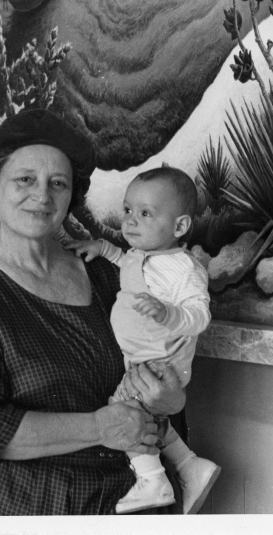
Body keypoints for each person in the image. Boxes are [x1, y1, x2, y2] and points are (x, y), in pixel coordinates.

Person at [0, 108, 187, 515]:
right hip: (19, 506)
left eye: (58, 183)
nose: (42, 195)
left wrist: (171, 400)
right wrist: (100, 427)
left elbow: (155, 359)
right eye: (24, 180)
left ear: (71, 197)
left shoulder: (108, 277)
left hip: (125, 502)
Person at [63, 166, 221, 514]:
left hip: (161, 360)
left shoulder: (183, 268)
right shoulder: (144, 254)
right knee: (144, 412)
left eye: (145, 214)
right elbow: (126, 263)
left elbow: (200, 314)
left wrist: (169, 314)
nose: (130, 221)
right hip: (143, 356)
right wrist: (101, 246)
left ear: (179, 227)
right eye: (128, 210)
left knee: (123, 410)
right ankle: (190, 466)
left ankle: (152, 480)